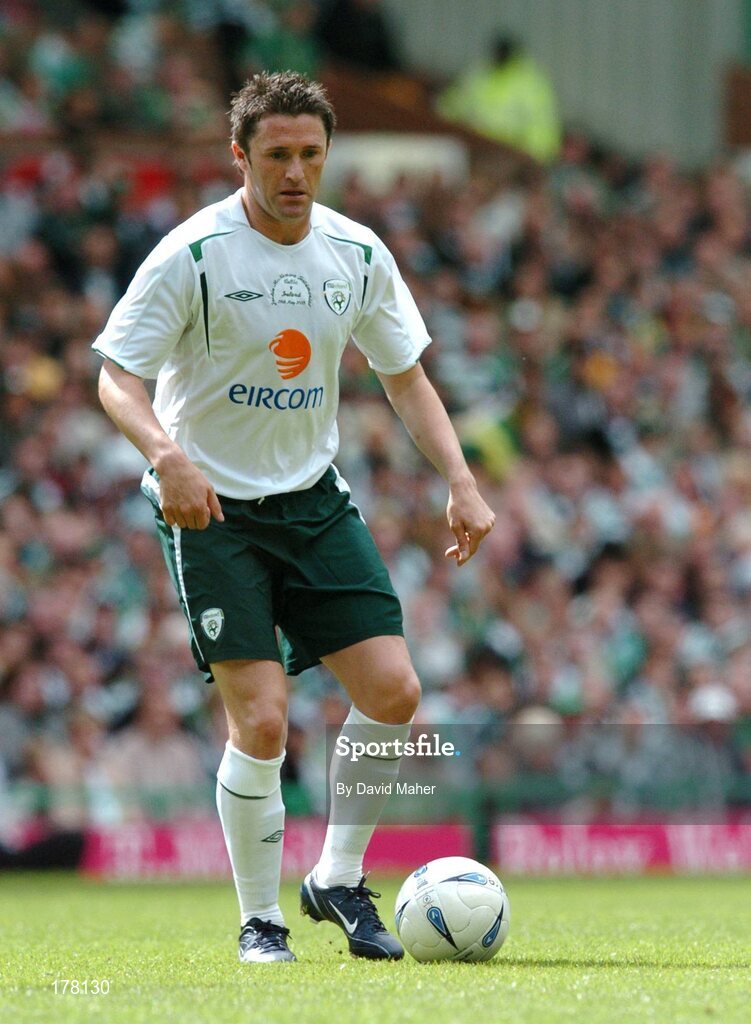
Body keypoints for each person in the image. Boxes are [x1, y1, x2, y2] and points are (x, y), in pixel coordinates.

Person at [93, 70, 495, 964]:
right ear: (240, 157)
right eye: (276, 155)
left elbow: (404, 376)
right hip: (212, 512)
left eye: (310, 154)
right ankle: (259, 920)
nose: (295, 173)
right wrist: (168, 458)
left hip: (313, 500)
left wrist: (461, 478)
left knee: (393, 693)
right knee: (263, 720)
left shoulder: (354, 253)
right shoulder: (192, 255)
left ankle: (336, 879)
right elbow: (115, 378)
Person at [437, 35, 561, 164]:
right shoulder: (480, 74)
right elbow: (454, 104)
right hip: (479, 149)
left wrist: (536, 156)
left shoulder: (530, 80)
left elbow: (542, 122)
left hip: (515, 155)